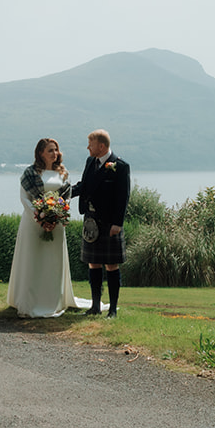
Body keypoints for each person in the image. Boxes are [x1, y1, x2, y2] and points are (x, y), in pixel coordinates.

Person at [5, 137, 79, 317]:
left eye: (56, 150)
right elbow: (25, 199)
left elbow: (66, 197)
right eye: (50, 150)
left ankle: (53, 301)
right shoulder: (30, 173)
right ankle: (29, 301)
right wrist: (39, 217)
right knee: (32, 260)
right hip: (33, 224)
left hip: (57, 224)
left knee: (53, 262)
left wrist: (57, 214)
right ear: (40, 153)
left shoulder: (63, 173)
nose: (55, 153)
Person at [70, 128, 130, 317]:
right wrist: (63, 194)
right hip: (91, 221)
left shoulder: (120, 166)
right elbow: (84, 186)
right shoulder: (90, 162)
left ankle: (112, 309)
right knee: (93, 263)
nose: (88, 147)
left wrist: (117, 223)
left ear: (101, 146)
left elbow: (123, 197)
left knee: (111, 265)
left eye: (91, 144)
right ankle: (95, 306)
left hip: (109, 223)